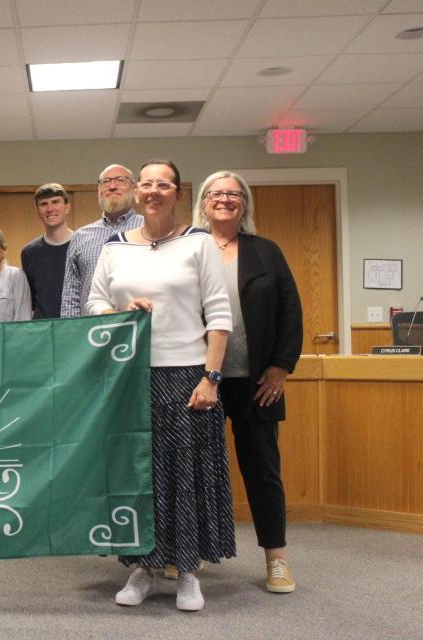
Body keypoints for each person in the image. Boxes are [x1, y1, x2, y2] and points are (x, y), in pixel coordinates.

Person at [86, 160, 234, 612]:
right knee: (140, 476)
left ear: (177, 193)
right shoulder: (114, 248)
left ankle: (188, 572)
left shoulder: (199, 243)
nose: (153, 191)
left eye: (163, 184)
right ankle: (142, 569)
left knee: (186, 477)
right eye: (146, 184)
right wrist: (121, 309)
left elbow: (220, 316)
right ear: (135, 193)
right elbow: (94, 303)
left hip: (188, 376)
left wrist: (211, 378)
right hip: (130, 377)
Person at [193, 170, 303, 594]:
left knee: (262, 470)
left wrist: (280, 367)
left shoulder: (266, 251)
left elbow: (290, 311)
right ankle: (187, 552)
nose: (225, 199)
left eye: (234, 193)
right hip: (201, 380)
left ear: (245, 203)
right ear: (203, 201)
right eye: (216, 192)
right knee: (197, 469)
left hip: (256, 381)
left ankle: (276, 558)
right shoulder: (189, 248)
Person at [60, 165, 142, 317]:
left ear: (134, 188)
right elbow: (71, 294)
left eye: (120, 180)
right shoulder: (80, 236)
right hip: (91, 332)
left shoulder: (147, 229)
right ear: (99, 190)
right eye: (105, 182)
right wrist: (71, 334)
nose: (112, 186)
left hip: (137, 327)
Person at [20, 183, 73, 318]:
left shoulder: (83, 246)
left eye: (55, 202)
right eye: (44, 204)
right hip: (42, 331)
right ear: (38, 212)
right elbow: (30, 300)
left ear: (67, 208)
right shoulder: (29, 253)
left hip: (77, 328)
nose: (50, 208)